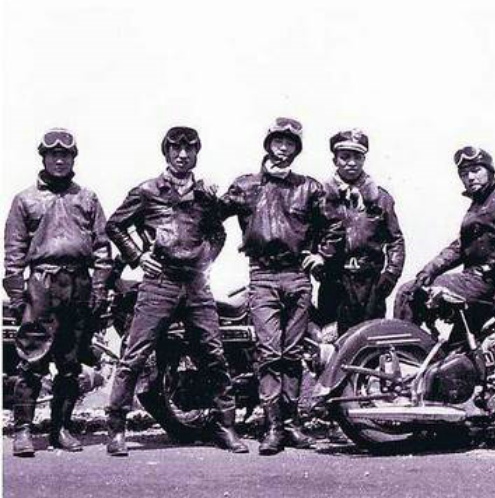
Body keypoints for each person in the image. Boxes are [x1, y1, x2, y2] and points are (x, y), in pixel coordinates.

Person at [104, 126, 248, 456]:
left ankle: (225, 426)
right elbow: (114, 225)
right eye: (176, 148)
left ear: (197, 153)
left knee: (213, 354)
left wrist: (206, 259)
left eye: (189, 149)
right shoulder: (147, 191)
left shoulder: (205, 196)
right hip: (160, 284)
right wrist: (137, 257)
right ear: (166, 152)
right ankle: (117, 429)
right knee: (135, 355)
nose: (182, 155)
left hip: (195, 286)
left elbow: (217, 232)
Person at [220, 117, 344, 455]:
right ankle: (272, 427)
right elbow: (211, 216)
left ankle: (291, 424)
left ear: (296, 149)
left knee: (292, 353)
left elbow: (334, 225)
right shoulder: (245, 185)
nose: (283, 148)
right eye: (278, 141)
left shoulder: (310, 187)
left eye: (290, 143)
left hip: (298, 277)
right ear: (268, 144)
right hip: (262, 276)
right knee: (269, 352)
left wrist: (322, 255)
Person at [3, 128, 112, 456]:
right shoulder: (25, 199)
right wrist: (18, 295)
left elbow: (102, 248)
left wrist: (99, 287)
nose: (60, 160)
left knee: (70, 362)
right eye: (54, 155)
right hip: (42, 285)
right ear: (44, 158)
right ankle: (23, 431)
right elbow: (13, 252)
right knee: (31, 359)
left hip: (78, 284)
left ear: (73, 159)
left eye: (65, 155)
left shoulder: (87, 198)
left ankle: (60, 428)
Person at [394, 146, 495, 333]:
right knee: (456, 348)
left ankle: (403, 346)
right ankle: (412, 346)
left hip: (491, 282)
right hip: (476, 280)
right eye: (464, 174)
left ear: (490, 172)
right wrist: (430, 270)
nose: (470, 177)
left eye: (476, 170)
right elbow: (461, 246)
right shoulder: (480, 204)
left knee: (408, 292)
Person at [317, 129, 405, 335]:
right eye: (345, 157)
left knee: (371, 341)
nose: (351, 163)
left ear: (364, 159)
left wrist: (390, 275)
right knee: (331, 343)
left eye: (357, 157)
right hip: (334, 282)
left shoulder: (381, 198)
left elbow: (395, 240)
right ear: (335, 160)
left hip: (370, 283)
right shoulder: (320, 197)